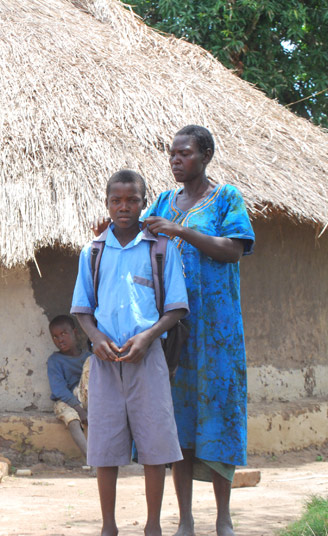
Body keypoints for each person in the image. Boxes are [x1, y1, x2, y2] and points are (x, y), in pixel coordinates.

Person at [145, 125, 255, 536]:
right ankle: (186, 518)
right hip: (175, 330)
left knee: (220, 414)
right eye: (172, 153)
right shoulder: (160, 202)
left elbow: (233, 250)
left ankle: (223, 517)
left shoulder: (226, 198)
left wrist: (181, 231)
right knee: (180, 419)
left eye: (185, 153)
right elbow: (139, 242)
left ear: (205, 155)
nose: (175, 160)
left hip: (219, 330)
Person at [72, 170, 189, 536]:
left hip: (147, 358)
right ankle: (109, 526)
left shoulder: (160, 250)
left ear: (143, 203)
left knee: (155, 446)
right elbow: (82, 309)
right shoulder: (92, 252)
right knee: (104, 447)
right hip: (105, 363)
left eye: (132, 200)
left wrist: (148, 337)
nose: (124, 207)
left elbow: (177, 307)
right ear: (106, 204)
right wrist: (95, 339)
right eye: (116, 201)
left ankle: (152, 525)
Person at [46, 315, 90, 459]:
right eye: (55, 336)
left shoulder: (88, 357)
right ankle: (91, 460)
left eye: (64, 333)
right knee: (72, 420)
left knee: (93, 361)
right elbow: (59, 390)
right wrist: (79, 410)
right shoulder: (55, 361)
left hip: (88, 399)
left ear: (75, 332)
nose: (60, 340)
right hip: (66, 401)